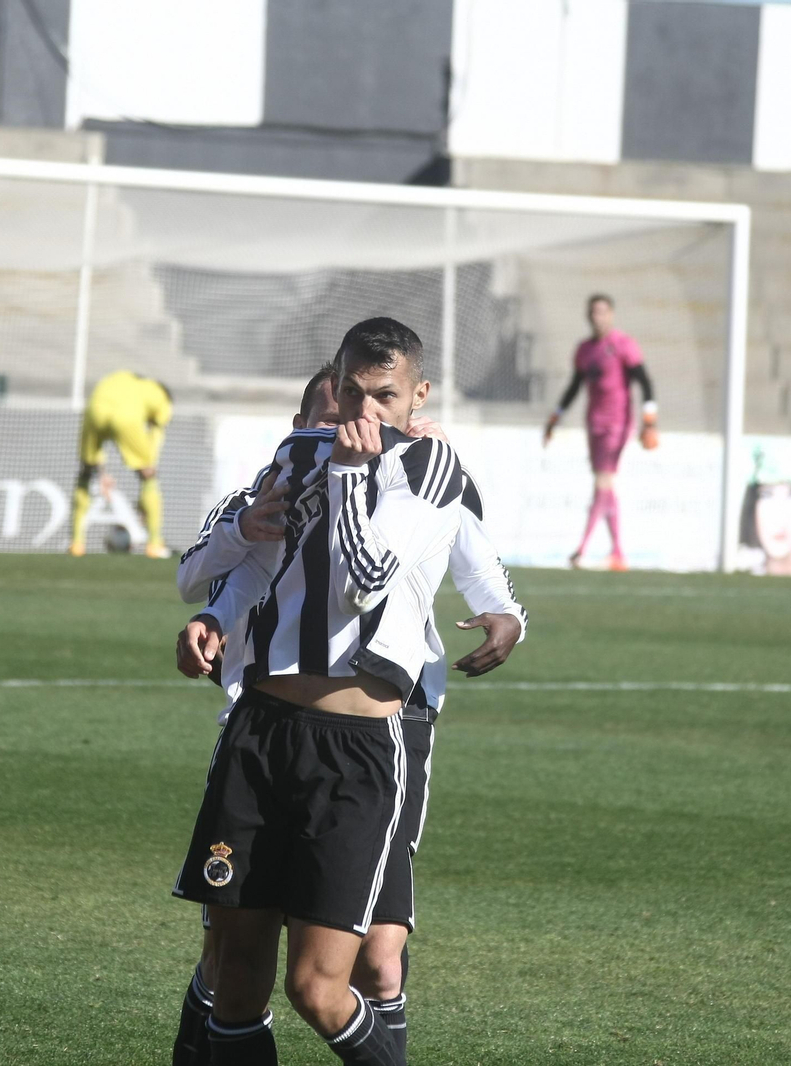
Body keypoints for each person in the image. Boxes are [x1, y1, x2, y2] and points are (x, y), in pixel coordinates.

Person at [171, 369, 527, 1065]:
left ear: (410, 401)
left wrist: (506, 614)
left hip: (387, 728)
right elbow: (215, 572)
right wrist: (213, 612)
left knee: (376, 961)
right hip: (264, 724)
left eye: (371, 408)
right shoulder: (280, 481)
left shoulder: (424, 473)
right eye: (330, 416)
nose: (354, 425)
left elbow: (473, 555)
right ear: (302, 422)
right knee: (230, 957)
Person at [543, 293, 657, 570]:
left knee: (602, 482)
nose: (598, 317)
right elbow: (575, 386)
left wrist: (649, 419)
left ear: (611, 315)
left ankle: (582, 550)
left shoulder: (623, 345)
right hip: (594, 422)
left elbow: (645, 381)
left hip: (617, 422)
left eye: (603, 312)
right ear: (588, 316)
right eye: (594, 312)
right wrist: (555, 417)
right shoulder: (585, 350)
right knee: (605, 486)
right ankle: (617, 552)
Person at [69, 369, 173, 558]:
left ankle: (76, 543)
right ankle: (154, 544)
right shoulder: (161, 395)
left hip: (94, 409)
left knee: (85, 472)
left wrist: (102, 474)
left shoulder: (124, 379)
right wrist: (148, 466)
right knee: (149, 476)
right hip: (126, 416)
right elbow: (157, 432)